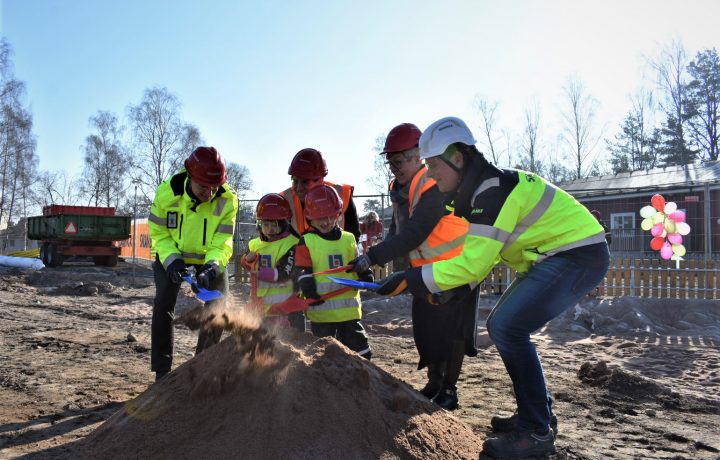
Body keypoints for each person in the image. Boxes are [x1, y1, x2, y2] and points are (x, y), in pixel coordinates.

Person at [375, 117, 610, 459]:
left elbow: (471, 264)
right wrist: (446, 288)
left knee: (507, 327)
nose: (431, 174)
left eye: (434, 165)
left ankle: (536, 432)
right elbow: (479, 261)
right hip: (559, 255)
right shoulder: (480, 190)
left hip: (576, 254)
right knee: (505, 327)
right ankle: (537, 416)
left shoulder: (491, 192)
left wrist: (411, 279)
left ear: (457, 158)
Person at [347, 122, 475, 410]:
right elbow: (398, 229)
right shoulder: (400, 189)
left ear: (419, 155)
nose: (394, 167)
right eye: (390, 162)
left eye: (399, 160)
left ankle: (448, 390)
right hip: (425, 270)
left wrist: (373, 256)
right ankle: (434, 382)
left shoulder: (433, 185)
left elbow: (416, 232)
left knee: (452, 332)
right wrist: (375, 256)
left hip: (456, 267)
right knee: (427, 330)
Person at [148, 146, 239, 382]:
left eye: (214, 187)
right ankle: (162, 372)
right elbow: (158, 233)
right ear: (190, 177)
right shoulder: (167, 193)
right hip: (171, 255)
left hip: (209, 258)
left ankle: (202, 365)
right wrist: (173, 262)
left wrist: (212, 267)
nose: (209, 193)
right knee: (163, 304)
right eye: (203, 187)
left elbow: (223, 241)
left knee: (219, 305)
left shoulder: (228, 200)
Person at [293, 184, 373, 359]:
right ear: (309, 218)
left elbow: (358, 262)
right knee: (323, 355)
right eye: (319, 218)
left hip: (349, 311)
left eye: (330, 216)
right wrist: (308, 290)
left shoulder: (349, 239)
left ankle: (364, 381)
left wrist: (366, 273)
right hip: (321, 312)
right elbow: (303, 270)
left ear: (338, 214)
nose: (325, 222)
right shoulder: (306, 241)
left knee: (361, 351)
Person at [240, 193, 299, 327]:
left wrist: (259, 272)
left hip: (285, 307)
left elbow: (285, 272)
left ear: (284, 223)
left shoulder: (292, 243)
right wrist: (246, 260)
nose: (270, 229)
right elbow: (245, 263)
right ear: (260, 224)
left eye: (275, 225)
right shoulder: (254, 244)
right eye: (266, 225)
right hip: (260, 307)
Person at [281, 148, 360, 240]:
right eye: (295, 181)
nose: (298, 188)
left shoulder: (342, 195)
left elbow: (354, 237)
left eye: (305, 182)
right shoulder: (284, 200)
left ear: (320, 179)